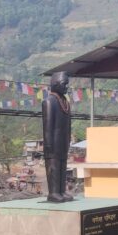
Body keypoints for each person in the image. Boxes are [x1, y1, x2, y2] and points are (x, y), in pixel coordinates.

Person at [41, 71, 74, 202]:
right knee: (54, 167)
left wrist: (68, 139)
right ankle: (53, 192)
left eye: (67, 84)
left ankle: (61, 190)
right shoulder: (49, 102)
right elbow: (47, 126)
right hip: (53, 143)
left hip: (63, 142)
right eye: (64, 84)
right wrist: (48, 144)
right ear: (55, 84)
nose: (66, 87)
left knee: (62, 166)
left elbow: (68, 125)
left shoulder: (66, 103)